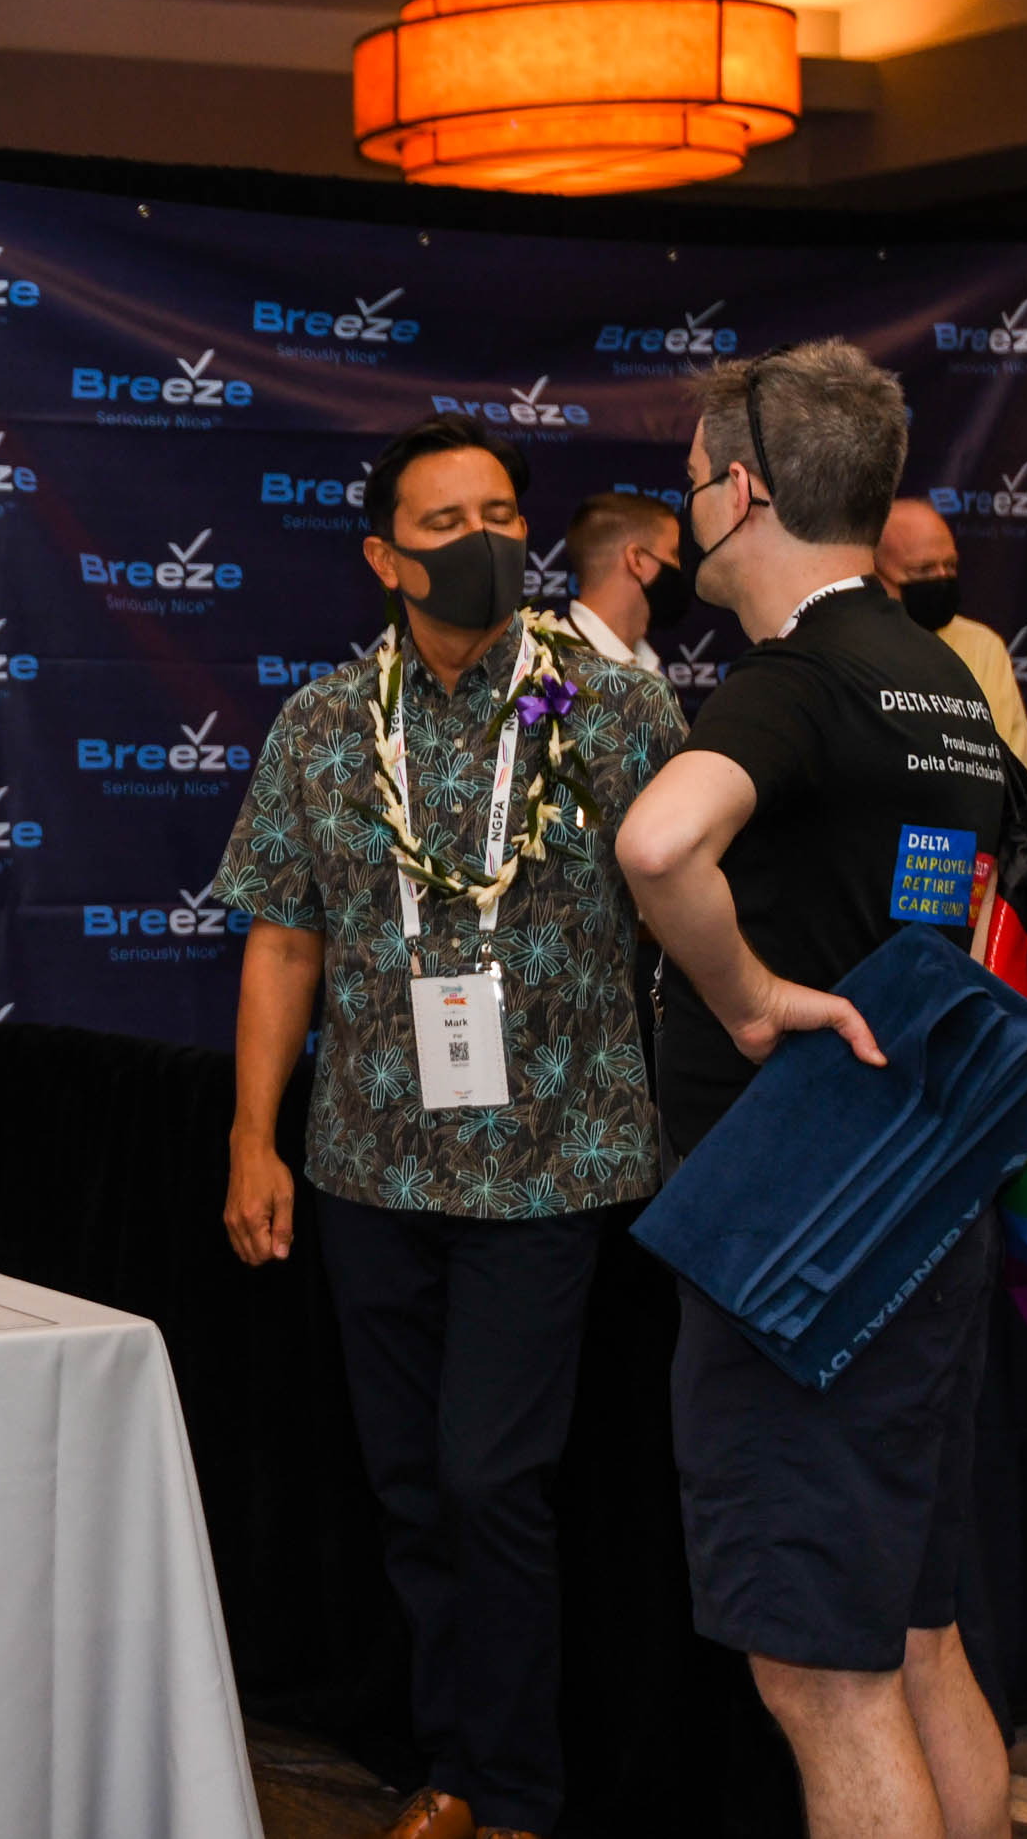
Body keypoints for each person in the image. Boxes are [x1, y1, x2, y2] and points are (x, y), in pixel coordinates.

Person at [212, 416, 685, 1839]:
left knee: (495, 1476)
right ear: (382, 558)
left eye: (499, 515)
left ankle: (522, 1788)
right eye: (443, 522)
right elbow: (284, 941)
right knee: (415, 1490)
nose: (481, 543)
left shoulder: (609, 711)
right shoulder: (321, 724)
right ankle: (454, 1771)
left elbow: (689, 909)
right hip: (370, 1159)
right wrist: (253, 1136)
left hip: (555, 1162)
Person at [618, 343, 1015, 1839]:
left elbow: (660, 845)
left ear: (743, 490)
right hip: (922, 1186)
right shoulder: (946, 679)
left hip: (801, 1219)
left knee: (822, 1680)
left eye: (694, 478)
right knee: (915, 1641)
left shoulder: (800, 679)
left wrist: (744, 995)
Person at [873, 497, 1027, 862]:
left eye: (950, 566)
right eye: (923, 570)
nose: (941, 579)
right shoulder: (854, 648)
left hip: (978, 864)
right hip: (883, 863)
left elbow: (1025, 791)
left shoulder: (984, 647)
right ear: (876, 572)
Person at [560, 490, 689, 675]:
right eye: (674, 554)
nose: (681, 567)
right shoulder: (551, 667)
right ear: (636, 560)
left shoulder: (649, 668)